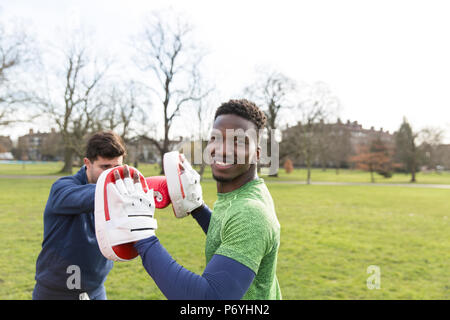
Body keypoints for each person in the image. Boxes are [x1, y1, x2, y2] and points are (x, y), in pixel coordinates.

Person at [113, 99, 281, 299]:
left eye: (238, 141)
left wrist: (142, 234)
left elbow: (209, 298)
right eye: (215, 138)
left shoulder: (251, 213)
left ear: (257, 154)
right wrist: (198, 208)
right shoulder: (245, 193)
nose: (223, 149)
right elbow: (228, 232)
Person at [32, 131, 126, 300]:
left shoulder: (118, 193)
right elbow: (90, 196)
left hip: (96, 289)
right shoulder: (62, 188)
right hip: (56, 293)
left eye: (116, 167)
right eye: (104, 167)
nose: (111, 175)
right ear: (87, 163)